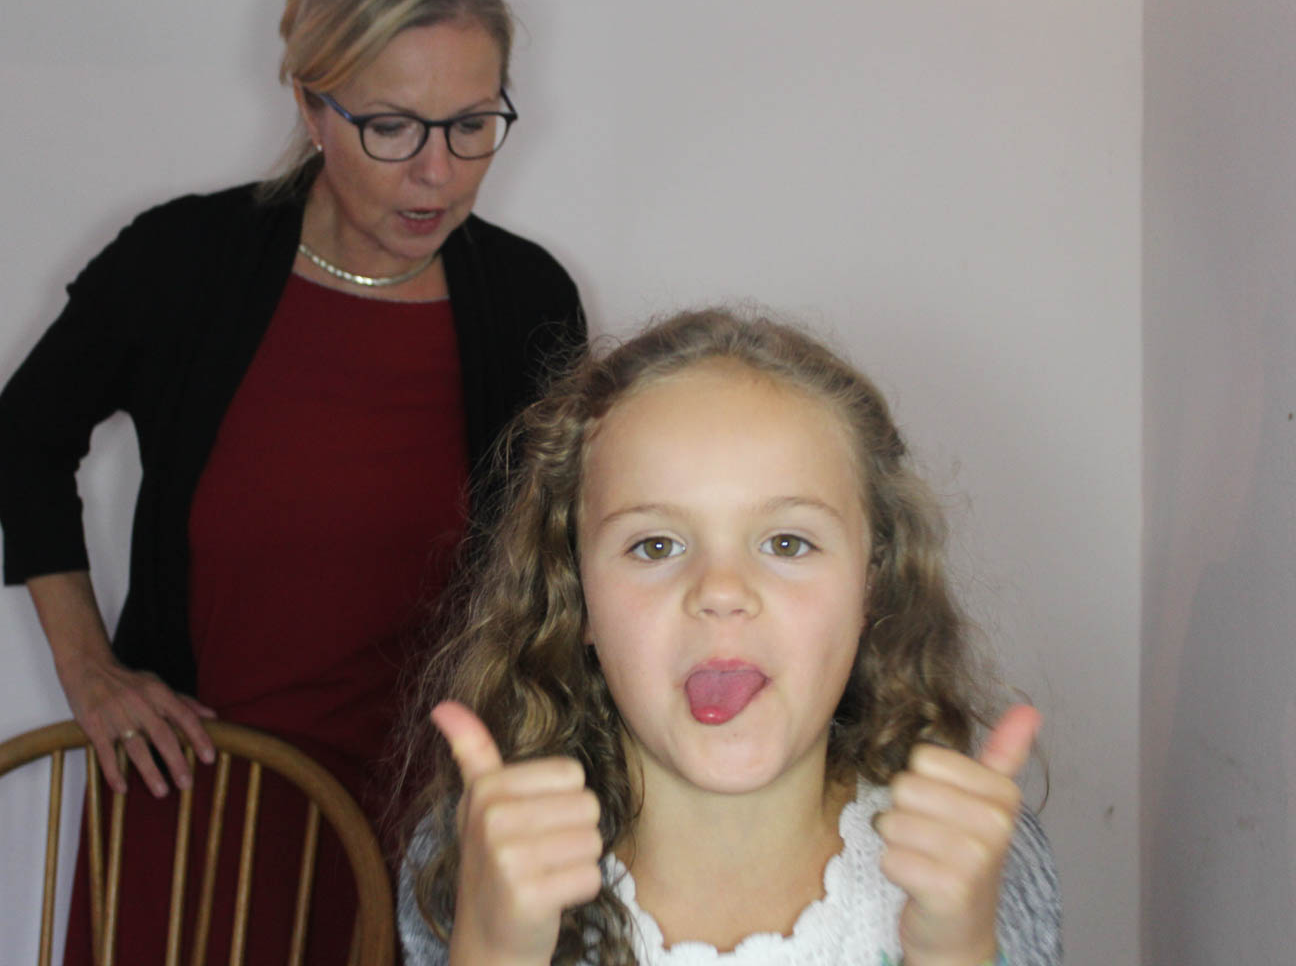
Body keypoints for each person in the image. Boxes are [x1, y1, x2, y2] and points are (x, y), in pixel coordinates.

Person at [0, 0, 585, 960]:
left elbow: (562, 557)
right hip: (188, 805)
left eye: (472, 124)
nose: (437, 172)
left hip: (421, 827)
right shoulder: (182, 263)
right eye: (391, 126)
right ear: (311, 108)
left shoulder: (529, 303)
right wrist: (89, 669)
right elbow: (26, 435)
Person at [400, 308, 1061, 965]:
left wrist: (956, 952)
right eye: (656, 545)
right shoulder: (479, 858)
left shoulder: (978, 861)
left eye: (787, 542)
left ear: (872, 585)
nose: (720, 590)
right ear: (576, 595)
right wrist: (493, 951)